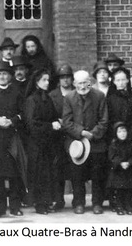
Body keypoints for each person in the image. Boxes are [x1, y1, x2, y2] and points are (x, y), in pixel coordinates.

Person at [63, 70, 108, 215]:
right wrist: (81, 132)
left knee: (97, 175)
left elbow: (104, 120)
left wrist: (93, 134)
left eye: (85, 82)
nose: (82, 86)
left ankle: (96, 203)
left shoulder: (99, 96)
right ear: (74, 84)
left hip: (95, 142)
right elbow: (66, 122)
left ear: (90, 82)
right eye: (79, 83)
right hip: (77, 143)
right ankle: (79, 203)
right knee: (77, 175)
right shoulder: (69, 98)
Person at [0, 61, 26, 218]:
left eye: (5, 74)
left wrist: (12, 121)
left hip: (12, 138)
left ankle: (15, 206)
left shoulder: (17, 93)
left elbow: (23, 113)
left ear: (10, 76)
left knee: (14, 173)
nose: (2, 77)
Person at [25, 68, 61, 215]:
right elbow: (31, 124)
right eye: (44, 80)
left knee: (48, 174)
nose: (47, 82)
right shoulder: (31, 100)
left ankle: (46, 202)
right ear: (37, 82)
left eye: (48, 79)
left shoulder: (47, 97)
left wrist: (56, 121)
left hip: (47, 143)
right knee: (39, 174)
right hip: (36, 144)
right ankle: (39, 204)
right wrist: (50, 125)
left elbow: (51, 116)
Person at [48, 64, 75, 211]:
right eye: (62, 78)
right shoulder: (52, 95)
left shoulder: (77, 92)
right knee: (57, 168)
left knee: (76, 167)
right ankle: (59, 199)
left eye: (68, 77)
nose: (65, 80)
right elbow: (49, 112)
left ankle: (78, 199)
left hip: (73, 135)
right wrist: (55, 120)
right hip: (57, 137)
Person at [108, 122, 132, 216]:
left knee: (128, 189)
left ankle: (128, 204)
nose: (122, 133)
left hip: (128, 170)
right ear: (116, 133)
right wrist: (120, 163)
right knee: (119, 189)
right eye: (120, 131)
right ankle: (119, 205)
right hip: (118, 171)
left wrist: (129, 162)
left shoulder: (131, 144)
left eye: (124, 131)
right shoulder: (114, 145)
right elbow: (112, 157)